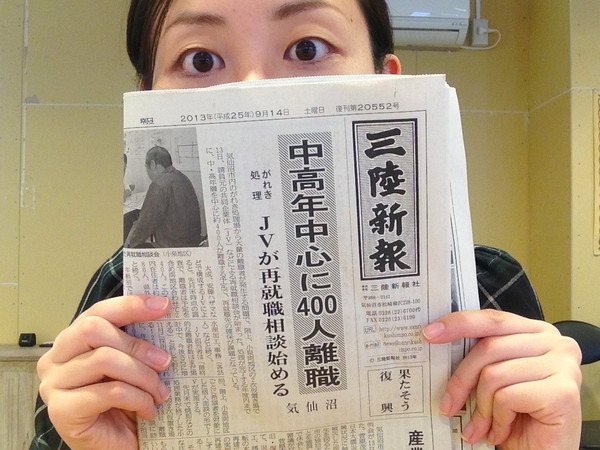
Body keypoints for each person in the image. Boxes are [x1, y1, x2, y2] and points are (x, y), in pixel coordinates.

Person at [32, 1, 583, 449]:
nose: (254, 89)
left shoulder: (489, 292)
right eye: (200, 60)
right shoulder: (121, 304)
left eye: (307, 48)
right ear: (146, 98)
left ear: (384, 83)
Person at [124, 145, 203, 248]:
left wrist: (129, 245)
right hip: (193, 243)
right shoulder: (183, 178)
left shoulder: (159, 184)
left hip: (172, 247)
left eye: (146, 167)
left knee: (133, 235)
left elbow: (144, 225)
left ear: (152, 164)